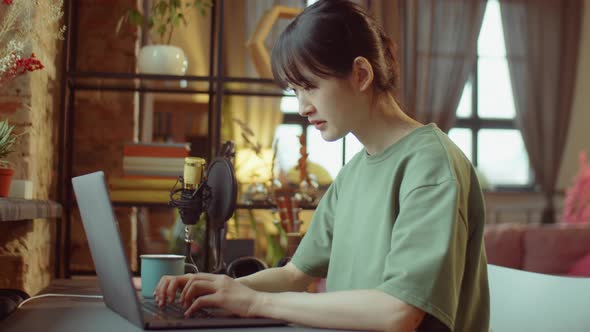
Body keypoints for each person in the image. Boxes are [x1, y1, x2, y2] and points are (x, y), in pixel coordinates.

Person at [154, 0, 490, 331]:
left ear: (360, 74)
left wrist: (254, 303)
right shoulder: (353, 172)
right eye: (295, 90)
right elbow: (295, 274)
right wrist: (219, 288)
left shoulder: (431, 166)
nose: (301, 107)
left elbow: (398, 312)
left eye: (310, 86)